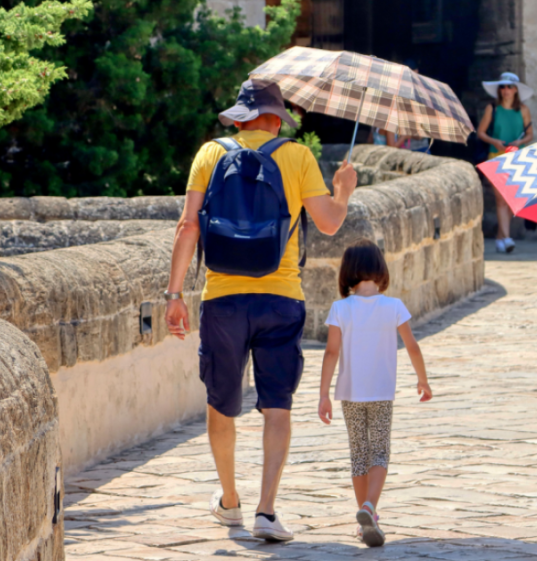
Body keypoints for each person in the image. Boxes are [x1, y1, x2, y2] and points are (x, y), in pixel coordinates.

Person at [163, 80, 358, 542]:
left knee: (220, 402)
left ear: (240, 116)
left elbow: (188, 225)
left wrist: (173, 296)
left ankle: (230, 500)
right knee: (277, 405)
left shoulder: (210, 154)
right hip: (281, 295)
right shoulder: (296, 156)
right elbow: (329, 223)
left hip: (222, 298)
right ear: (277, 117)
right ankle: (266, 511)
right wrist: (343, 190)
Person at [317, 240, 433, 547]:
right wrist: (423, 380)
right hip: (382, 391)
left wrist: (323, 394)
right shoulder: (393, 306)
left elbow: (331, 352)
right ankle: (370, 508)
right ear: (380, 269)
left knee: (359, 454)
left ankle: (364, 516)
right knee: (380, 451)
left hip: (350, 393)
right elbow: (412, 345)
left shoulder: (340, 308)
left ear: (347, 272)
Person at [478, 72, 534, 253]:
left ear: (516, 90)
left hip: (518, 158)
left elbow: (530, 134)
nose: (506, 90)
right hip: (496, 157)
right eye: (502, 86)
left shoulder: (524, 110)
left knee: (511, 200)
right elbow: (481, 132)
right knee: (501, 199)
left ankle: (501, 237)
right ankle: (508, 238)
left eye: (510, 86)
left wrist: (520, 142)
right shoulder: (492, 108)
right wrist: (494, 141)